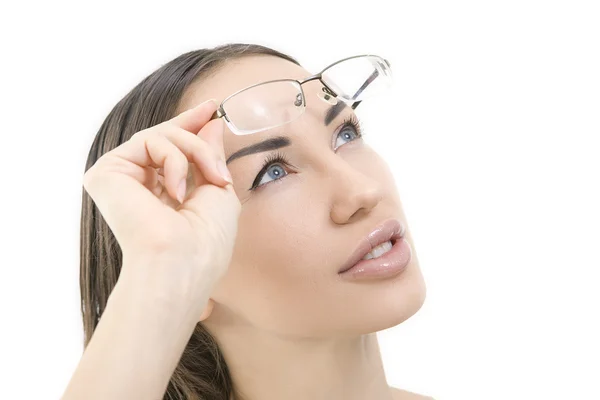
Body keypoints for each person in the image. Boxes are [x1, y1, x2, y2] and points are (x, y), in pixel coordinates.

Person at [61, 43, 432, 400]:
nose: (362, 192)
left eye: (345, 133)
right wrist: (164, 264)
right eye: (272, 172)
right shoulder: (175, 265)